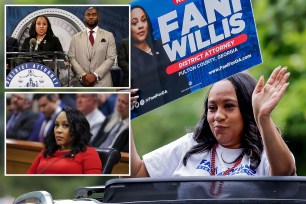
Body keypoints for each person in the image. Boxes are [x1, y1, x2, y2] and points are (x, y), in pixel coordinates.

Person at [130, 66, 296, 177]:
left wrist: (263, 117)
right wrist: (121, 115)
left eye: (229, 106)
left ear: (247, 110)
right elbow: (135, 173)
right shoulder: (190, 146)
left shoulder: (266, 151)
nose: (218, 116)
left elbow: (285, 173)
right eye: (212, 108)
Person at [130, 6, 189, 117]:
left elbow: (182, 80)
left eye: (143, 20)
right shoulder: (128, 62)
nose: (140, 26)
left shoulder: (162, 46)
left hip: (182, 108)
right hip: (152, 117)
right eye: (134, 23)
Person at [27, 108, 102, 174]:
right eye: (56, 125)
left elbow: (92, 185)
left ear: (78, 129)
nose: (58, 130)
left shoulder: (89, 153)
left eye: (65, 125)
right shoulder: (47, 151)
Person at [68, 7, 116, 87]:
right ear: (84, 18)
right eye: (88, 15)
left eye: (94, 14)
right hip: (81, 83)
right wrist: (83, 75)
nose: (91, 17)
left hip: (103, 83)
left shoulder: (108, 35)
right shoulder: (75, 37)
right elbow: (72, 58)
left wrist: (95, 75)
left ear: (98, 17)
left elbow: (111, 58)